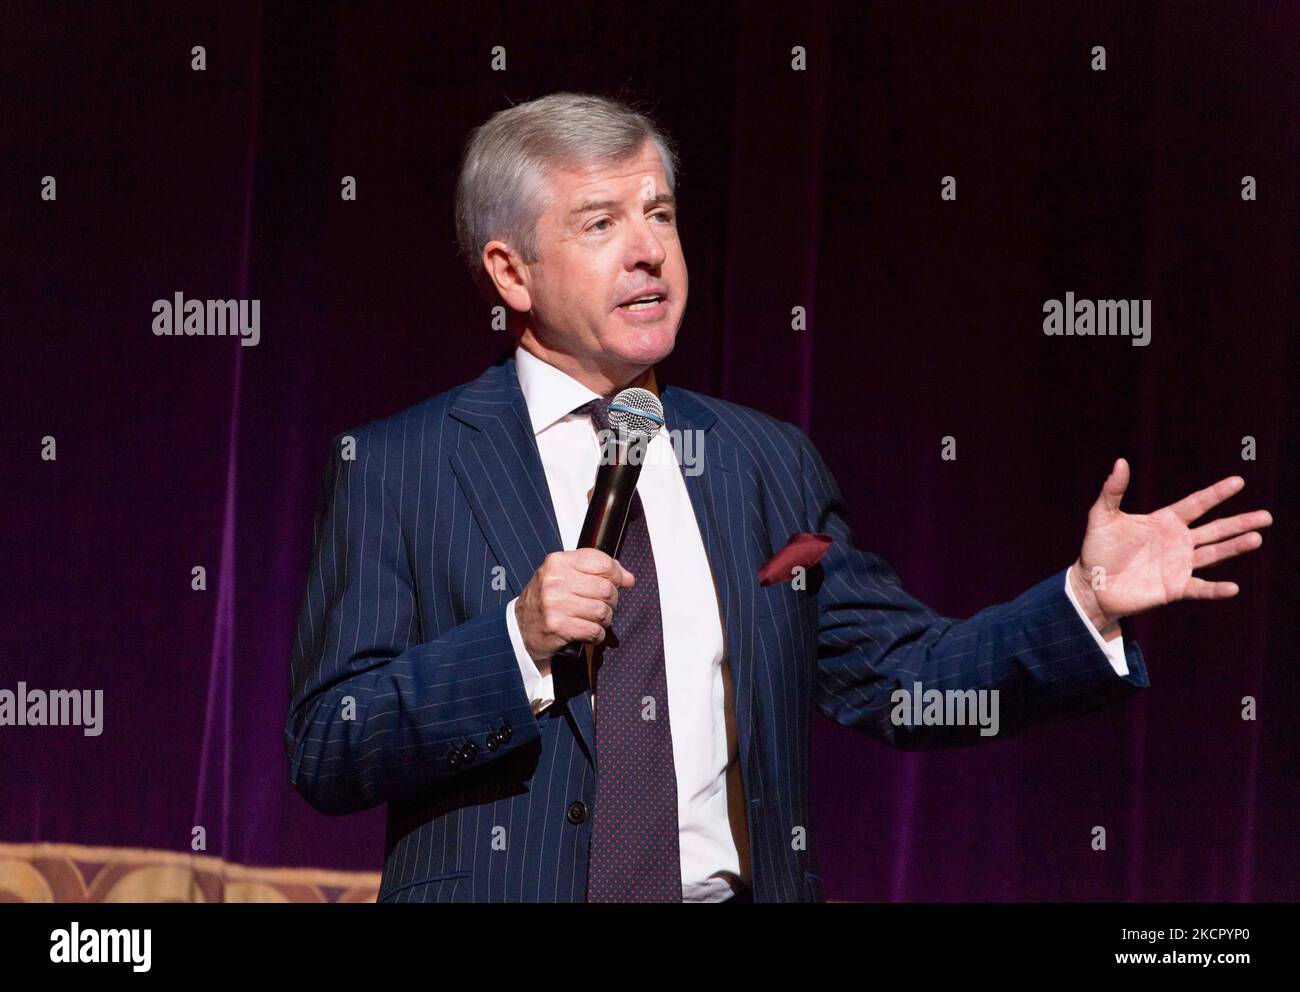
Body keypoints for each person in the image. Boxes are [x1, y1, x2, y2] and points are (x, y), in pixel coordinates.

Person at [283, 92, 1272, 903]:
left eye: (660, 213)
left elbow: (898, 676)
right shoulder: (400, 465)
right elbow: (331, 744)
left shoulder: (761, 463)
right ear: (511, 270)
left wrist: (1082, 606)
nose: (648, 251)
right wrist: (512, 642)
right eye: (600, 222)